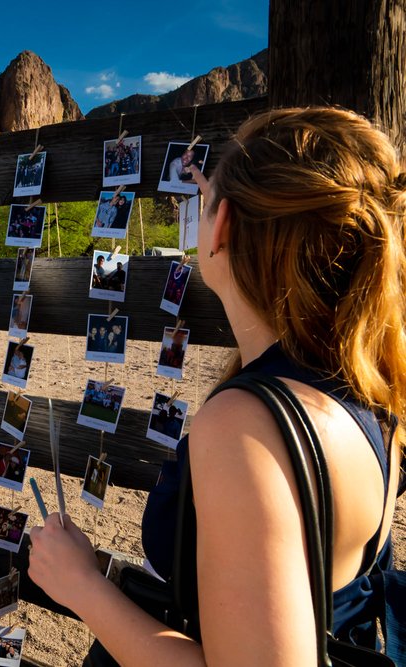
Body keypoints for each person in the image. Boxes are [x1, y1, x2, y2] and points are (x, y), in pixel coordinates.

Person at [29, 107, 406, 666]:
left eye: (202, 209)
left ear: (223, 226)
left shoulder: (245, 426)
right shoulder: (369, 389)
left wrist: (81, 583)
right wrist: (222, 193)